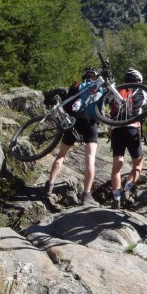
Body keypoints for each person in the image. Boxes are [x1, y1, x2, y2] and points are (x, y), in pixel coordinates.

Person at [44, 66, 101, 206]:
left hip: (74, 122)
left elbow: (67, 106)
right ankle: (86, 196)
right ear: (95, 76)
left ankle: (49, 185)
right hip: (91, 124)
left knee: (61, 155)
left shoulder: (77, 86)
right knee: (90, 159)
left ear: (84, 76)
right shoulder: (100, 87)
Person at [108, 68, 147, 209]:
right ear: (138, 80)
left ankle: (116, 198)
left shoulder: (116, 92)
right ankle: (127, 189)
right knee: (138, 164)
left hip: (116, 129)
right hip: (132, 129)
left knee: (117, 165)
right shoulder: (142, 91)